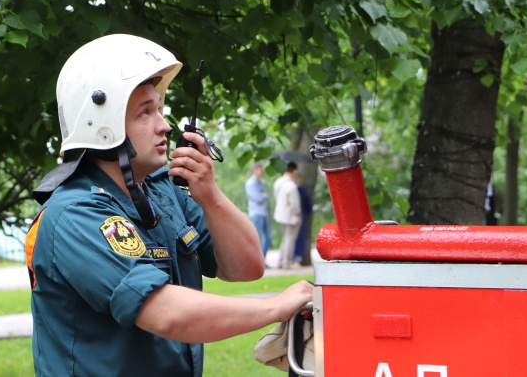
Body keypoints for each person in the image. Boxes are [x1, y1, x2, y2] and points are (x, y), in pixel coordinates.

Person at [24, 34, 312, 376]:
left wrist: (210, 194)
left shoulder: (162, 193)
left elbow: (245, 268)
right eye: (145, 113)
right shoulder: (73, 215)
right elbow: (166, 313)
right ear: (102, 127)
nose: (165, 125)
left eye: (159, 108)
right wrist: (276, 307)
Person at [273, 162, 301, 269]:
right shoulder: (291, 186)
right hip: (290, 216)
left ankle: (281, 260)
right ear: (294, 171)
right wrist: (298, 213)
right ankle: (286, 261)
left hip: (280, 214)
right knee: (289, 239)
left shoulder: (278, 182)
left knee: (285, 238)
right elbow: (295, 204)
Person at [245, 162, 271, 261]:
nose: (262, 172)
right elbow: (256, 198)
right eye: (260, 169)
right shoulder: (251, 183)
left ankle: (262, 259)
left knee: (268, 238)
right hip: (256, 213)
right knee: (257, 237)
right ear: (255, 170)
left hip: (263, 212)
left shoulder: (260, 182)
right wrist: (264, 194)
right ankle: (256, 260)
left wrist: (262, 194)